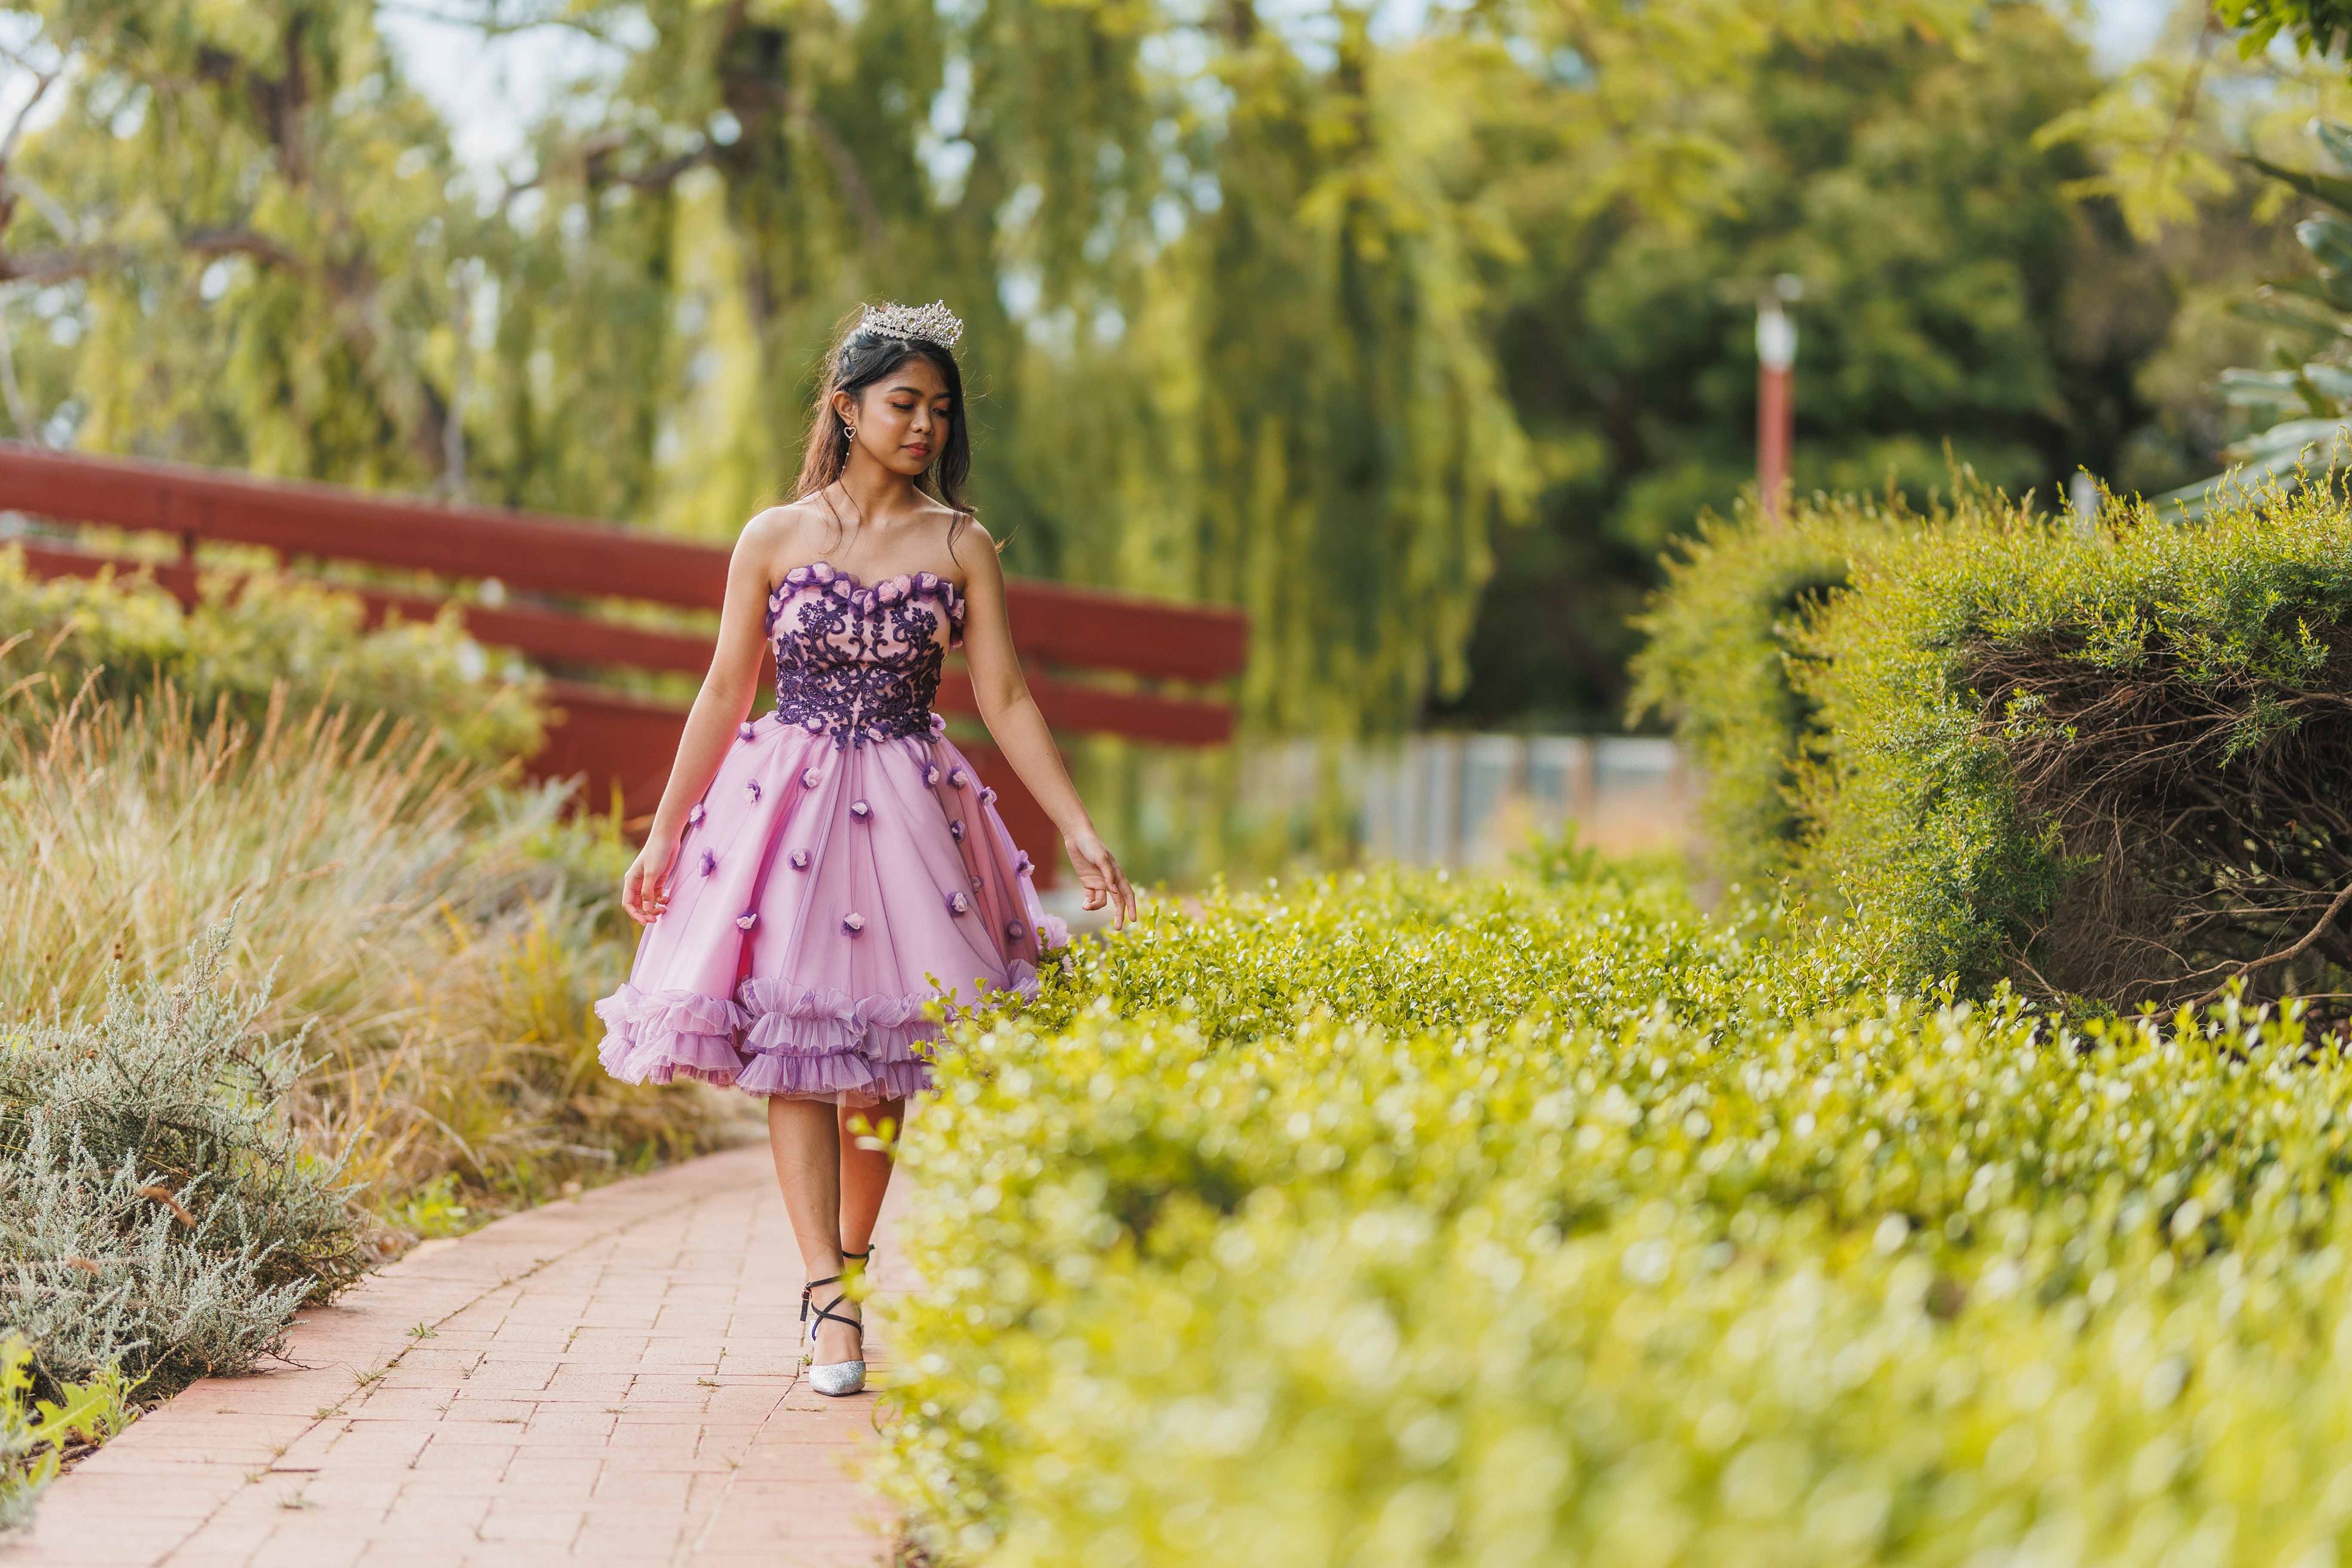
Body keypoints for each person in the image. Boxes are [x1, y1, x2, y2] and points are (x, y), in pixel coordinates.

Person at [592, 300, 1137, 1397]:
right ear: (846, 409)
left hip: (906, 815)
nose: (925, 425)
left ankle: (849, 1264)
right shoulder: (772, 536)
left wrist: (1080, 828)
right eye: (904, 404)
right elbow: (723, 689)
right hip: (781, 811)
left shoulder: (960, 544)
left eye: (940, 409)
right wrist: (666, 831)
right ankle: (827, 1298)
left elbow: (1007, 698)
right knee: (795, 1045)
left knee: (884, 1060)